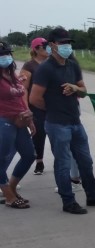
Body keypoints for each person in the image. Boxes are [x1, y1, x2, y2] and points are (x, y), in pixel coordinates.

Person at [29, 27, 95, 214]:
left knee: (86, 161)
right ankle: (68, 201)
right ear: (52, 45)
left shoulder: (72, 64)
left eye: (68, 43)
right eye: (63, 43)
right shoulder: (45, 69)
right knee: (63, 164)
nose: (67, 46)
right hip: (57, 124)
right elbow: (34, 98)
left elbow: (84, 92)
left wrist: (75, 88)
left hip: (76, 122)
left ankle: (92, 195)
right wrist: (53, 108)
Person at [0, 42, 36, 209]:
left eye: (7, 54)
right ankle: (8, 195)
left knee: (29, 155)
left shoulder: (11, 75)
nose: (5, 57)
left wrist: (29, 119)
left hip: (20, 119)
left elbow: (20, 98)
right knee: (2, 157)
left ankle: (12, 188)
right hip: (3, 120)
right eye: (1, 55)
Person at [20, 37, 49, 175]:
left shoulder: (52, 63)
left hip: (52, 104)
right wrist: (25, 107)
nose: (48, 48)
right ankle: (39, 160)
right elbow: (23, 89)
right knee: (39, 134)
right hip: (36, 105)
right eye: (45, 46)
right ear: (36, 49)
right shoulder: (29, 66)